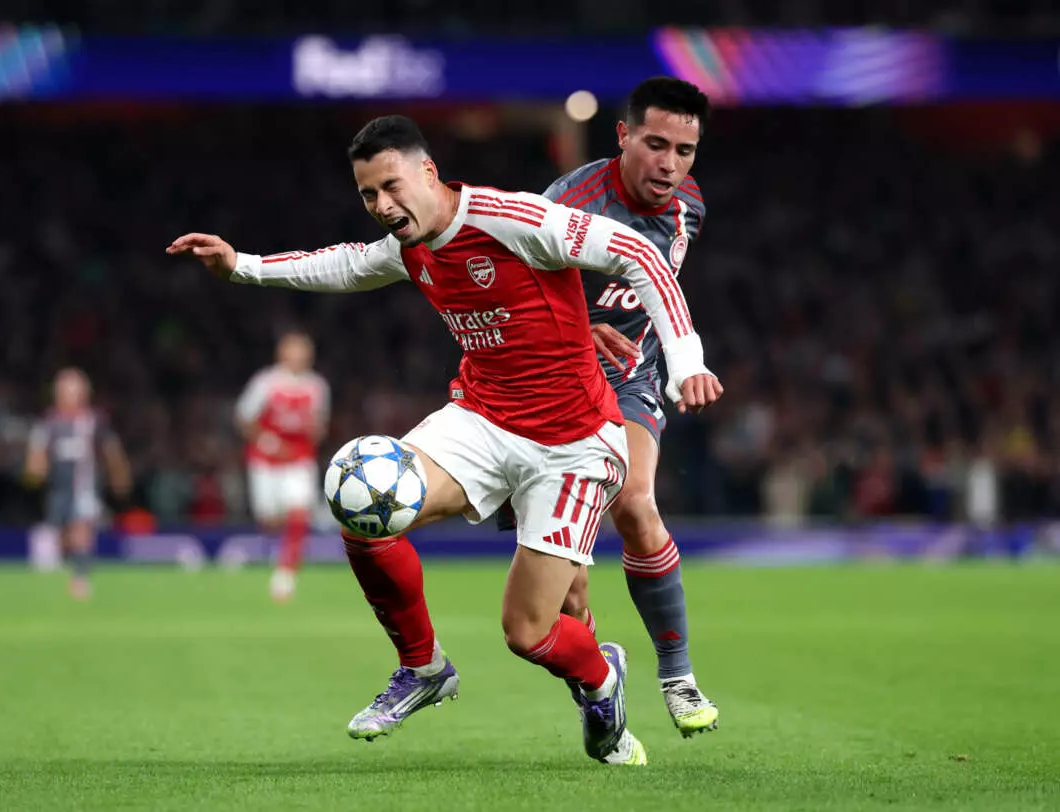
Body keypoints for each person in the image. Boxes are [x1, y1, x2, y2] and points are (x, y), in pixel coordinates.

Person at [168, 115, 721, 765]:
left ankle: (602, 680)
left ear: (428, 172)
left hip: (572, 443)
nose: (382, 205)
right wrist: (240, 266)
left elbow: (641, 255)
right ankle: (423, 666)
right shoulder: (409, 246)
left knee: (528, 631)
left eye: (392, 186)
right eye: (369, 194)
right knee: (363, 499)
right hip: (482, 421)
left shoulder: (512, 219)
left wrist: (685, 361)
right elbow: (341, 264)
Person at [496, 76, 720, 737]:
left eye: (684, 150)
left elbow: (657, 295)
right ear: (623, 136)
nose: (670, 164)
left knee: (636, 502)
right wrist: (575, 326)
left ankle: (677, 675)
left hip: (627, 378)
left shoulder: (689, 208)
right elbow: (500, 287)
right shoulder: (568, 204)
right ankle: (599, 681)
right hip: (549, 383)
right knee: (567, 591)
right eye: (656, 144)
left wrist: (682, 361)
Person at [235, 331, 330, 602]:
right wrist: (266, 440)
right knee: (269, 519)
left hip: (299, 460)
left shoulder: (317, 386)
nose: (299, 356)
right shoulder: (266, 382)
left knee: (299, 514)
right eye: (294, 350)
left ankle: (285, 575)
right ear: (282, 354)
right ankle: (276, 551)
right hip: (265, 461)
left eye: (304, 351)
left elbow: (320, 424)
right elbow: (244, 417)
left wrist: (313, 431)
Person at [24, 368, 131, 600]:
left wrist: (120, 477)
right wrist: (35, 471)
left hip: (85, 487)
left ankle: (80, 579)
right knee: (62, 537)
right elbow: (36, 456)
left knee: (81, 528)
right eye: (65, 390)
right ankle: (67, 569)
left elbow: (112, 451)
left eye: (74, 390)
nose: (70, 395)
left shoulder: (95, 421)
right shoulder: (48, 424)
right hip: (58, 490)